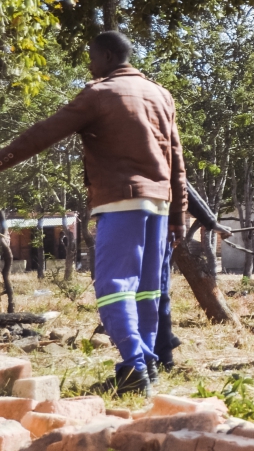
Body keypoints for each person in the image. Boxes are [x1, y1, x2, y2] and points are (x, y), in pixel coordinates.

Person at [0, 31, 185, 396]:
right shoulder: (161, 94)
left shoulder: (99, 95)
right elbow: (176, 160)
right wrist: (178, 215)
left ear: (108, 55)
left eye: (92, 56)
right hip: (160, 205)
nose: (89, 63)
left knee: (113, 286)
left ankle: (133, 366)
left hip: (121, 201)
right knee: (147, 292)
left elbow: (43, 134)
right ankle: (145, 365)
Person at [152, 181, 232, 377]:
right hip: (157, 226)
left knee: (152, 290)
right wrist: (212, 223)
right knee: (155, 290)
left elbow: (180, 184)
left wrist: (212, 223)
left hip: (154, 226)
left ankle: (160, 351)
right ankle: (163, 347)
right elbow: (181, 184)